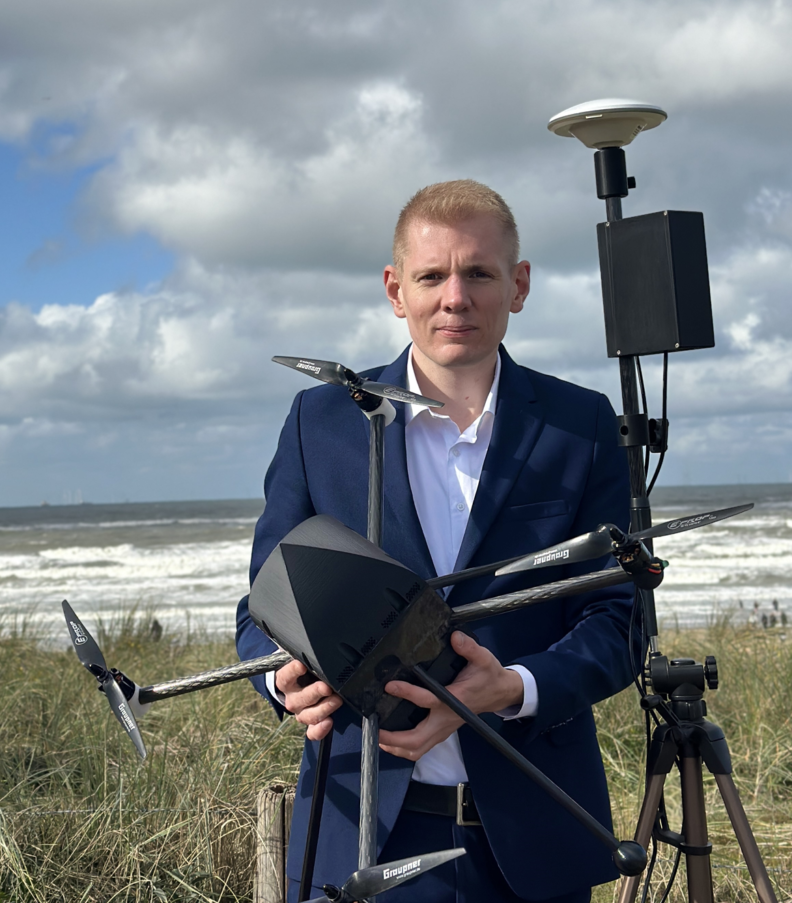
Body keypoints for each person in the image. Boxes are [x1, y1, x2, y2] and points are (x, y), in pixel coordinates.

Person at [236, 180, 637, 902]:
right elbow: (263, 606)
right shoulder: (318, 423)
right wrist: (281, 679)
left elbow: (622, 618)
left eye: (479, 272)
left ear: (518, 285)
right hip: (360, 834)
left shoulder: (581, 424)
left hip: (531, 843)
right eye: (431, 275)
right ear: (396, 289)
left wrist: (513, 687)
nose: (456, 297)